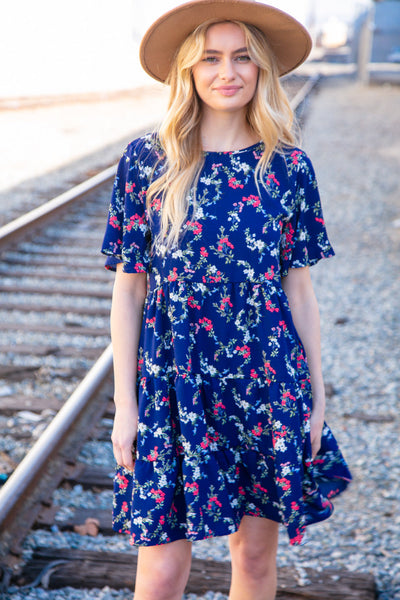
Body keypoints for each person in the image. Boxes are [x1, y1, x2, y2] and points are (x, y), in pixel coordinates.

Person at [101, 1, 352, 599]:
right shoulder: (148, 162)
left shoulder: (287, 167)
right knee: (160, 571)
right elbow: (129, 288)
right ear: (188, 69)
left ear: (262, 69)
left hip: (267, 383)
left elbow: (299, 291)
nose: (227, 72)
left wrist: (316, 398)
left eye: (242, 57)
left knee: (256, 560)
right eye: (210, 58)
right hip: (172, 385)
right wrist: (124, 404)